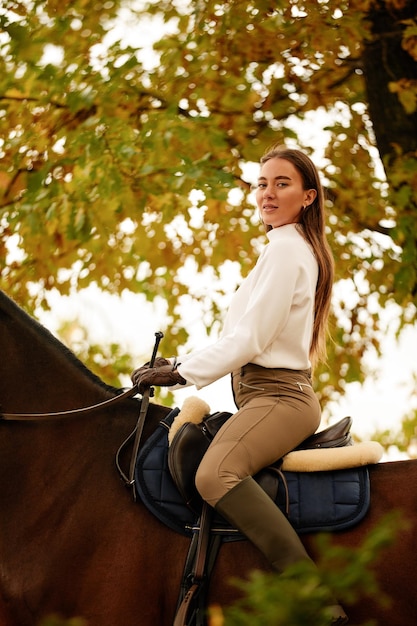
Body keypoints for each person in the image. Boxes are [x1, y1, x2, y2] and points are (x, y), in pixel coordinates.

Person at [131, 145, 348, 624]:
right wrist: (181, 359)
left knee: (214, 475)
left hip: (279, 397)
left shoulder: (289, 250)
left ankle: (314, 598)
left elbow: (250, 339)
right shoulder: (281, 249)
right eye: (261, 184)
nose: (268, 193)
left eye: (282, 184)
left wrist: (180, 373)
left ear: (308, 197)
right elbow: (240, 337)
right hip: (262, 394)